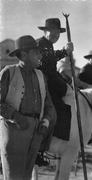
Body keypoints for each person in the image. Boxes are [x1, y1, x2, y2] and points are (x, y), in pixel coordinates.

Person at [0, 35, 56, 179]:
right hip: (15, 132)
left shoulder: (41, 76)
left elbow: (49, 105)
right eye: (36, 52)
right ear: (24, 54)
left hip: (36, 134)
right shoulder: (8, 72)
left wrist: (45, 122)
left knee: (26, 176)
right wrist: (15, 116)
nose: (40, 55)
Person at [36, 18, 74, 164]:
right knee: (52, 109)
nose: (55, 35)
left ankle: (57, 139)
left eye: (58, 33)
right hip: (41, 82)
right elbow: (43, 60)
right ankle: (41, 147)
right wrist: (64, 51)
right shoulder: (39, 43)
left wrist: (67, 81)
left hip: (50, 80)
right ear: (45, 31)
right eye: (52, 32)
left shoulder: (50, 45)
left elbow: (52, 68)